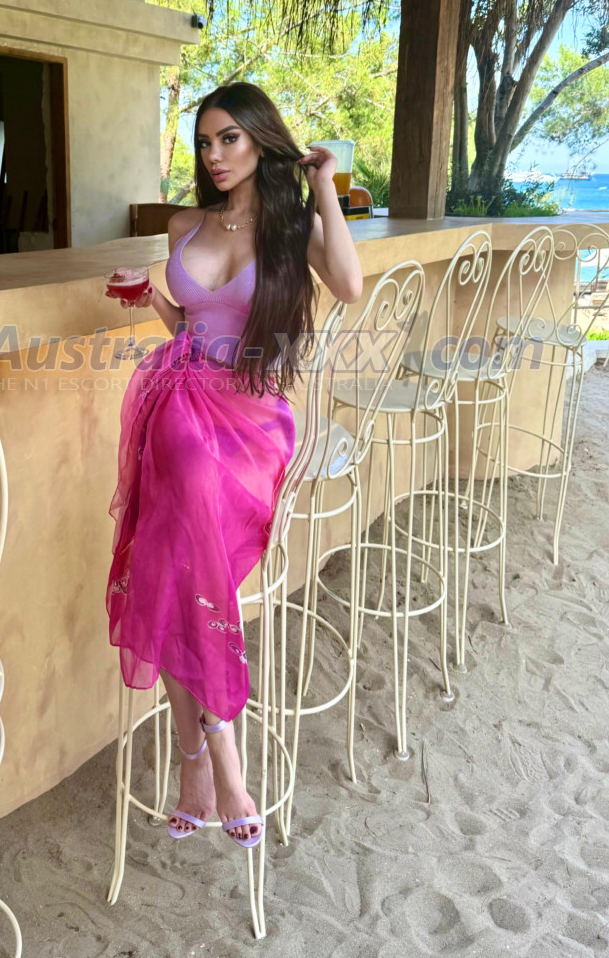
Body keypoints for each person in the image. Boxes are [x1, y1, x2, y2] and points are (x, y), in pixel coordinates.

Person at [106, 82, 363, 849]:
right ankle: (214, 763)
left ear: (260, 141)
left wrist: (323, 187)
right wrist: (151, 300)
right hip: (176, 404)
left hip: (248, 421)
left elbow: (348, 285)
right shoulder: (185, 223)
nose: (214, 155)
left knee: (176, 568)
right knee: (173, 573)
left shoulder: (289, 229)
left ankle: (204, 756)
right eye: (205, 142)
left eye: (229, 139)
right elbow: (193, 325)